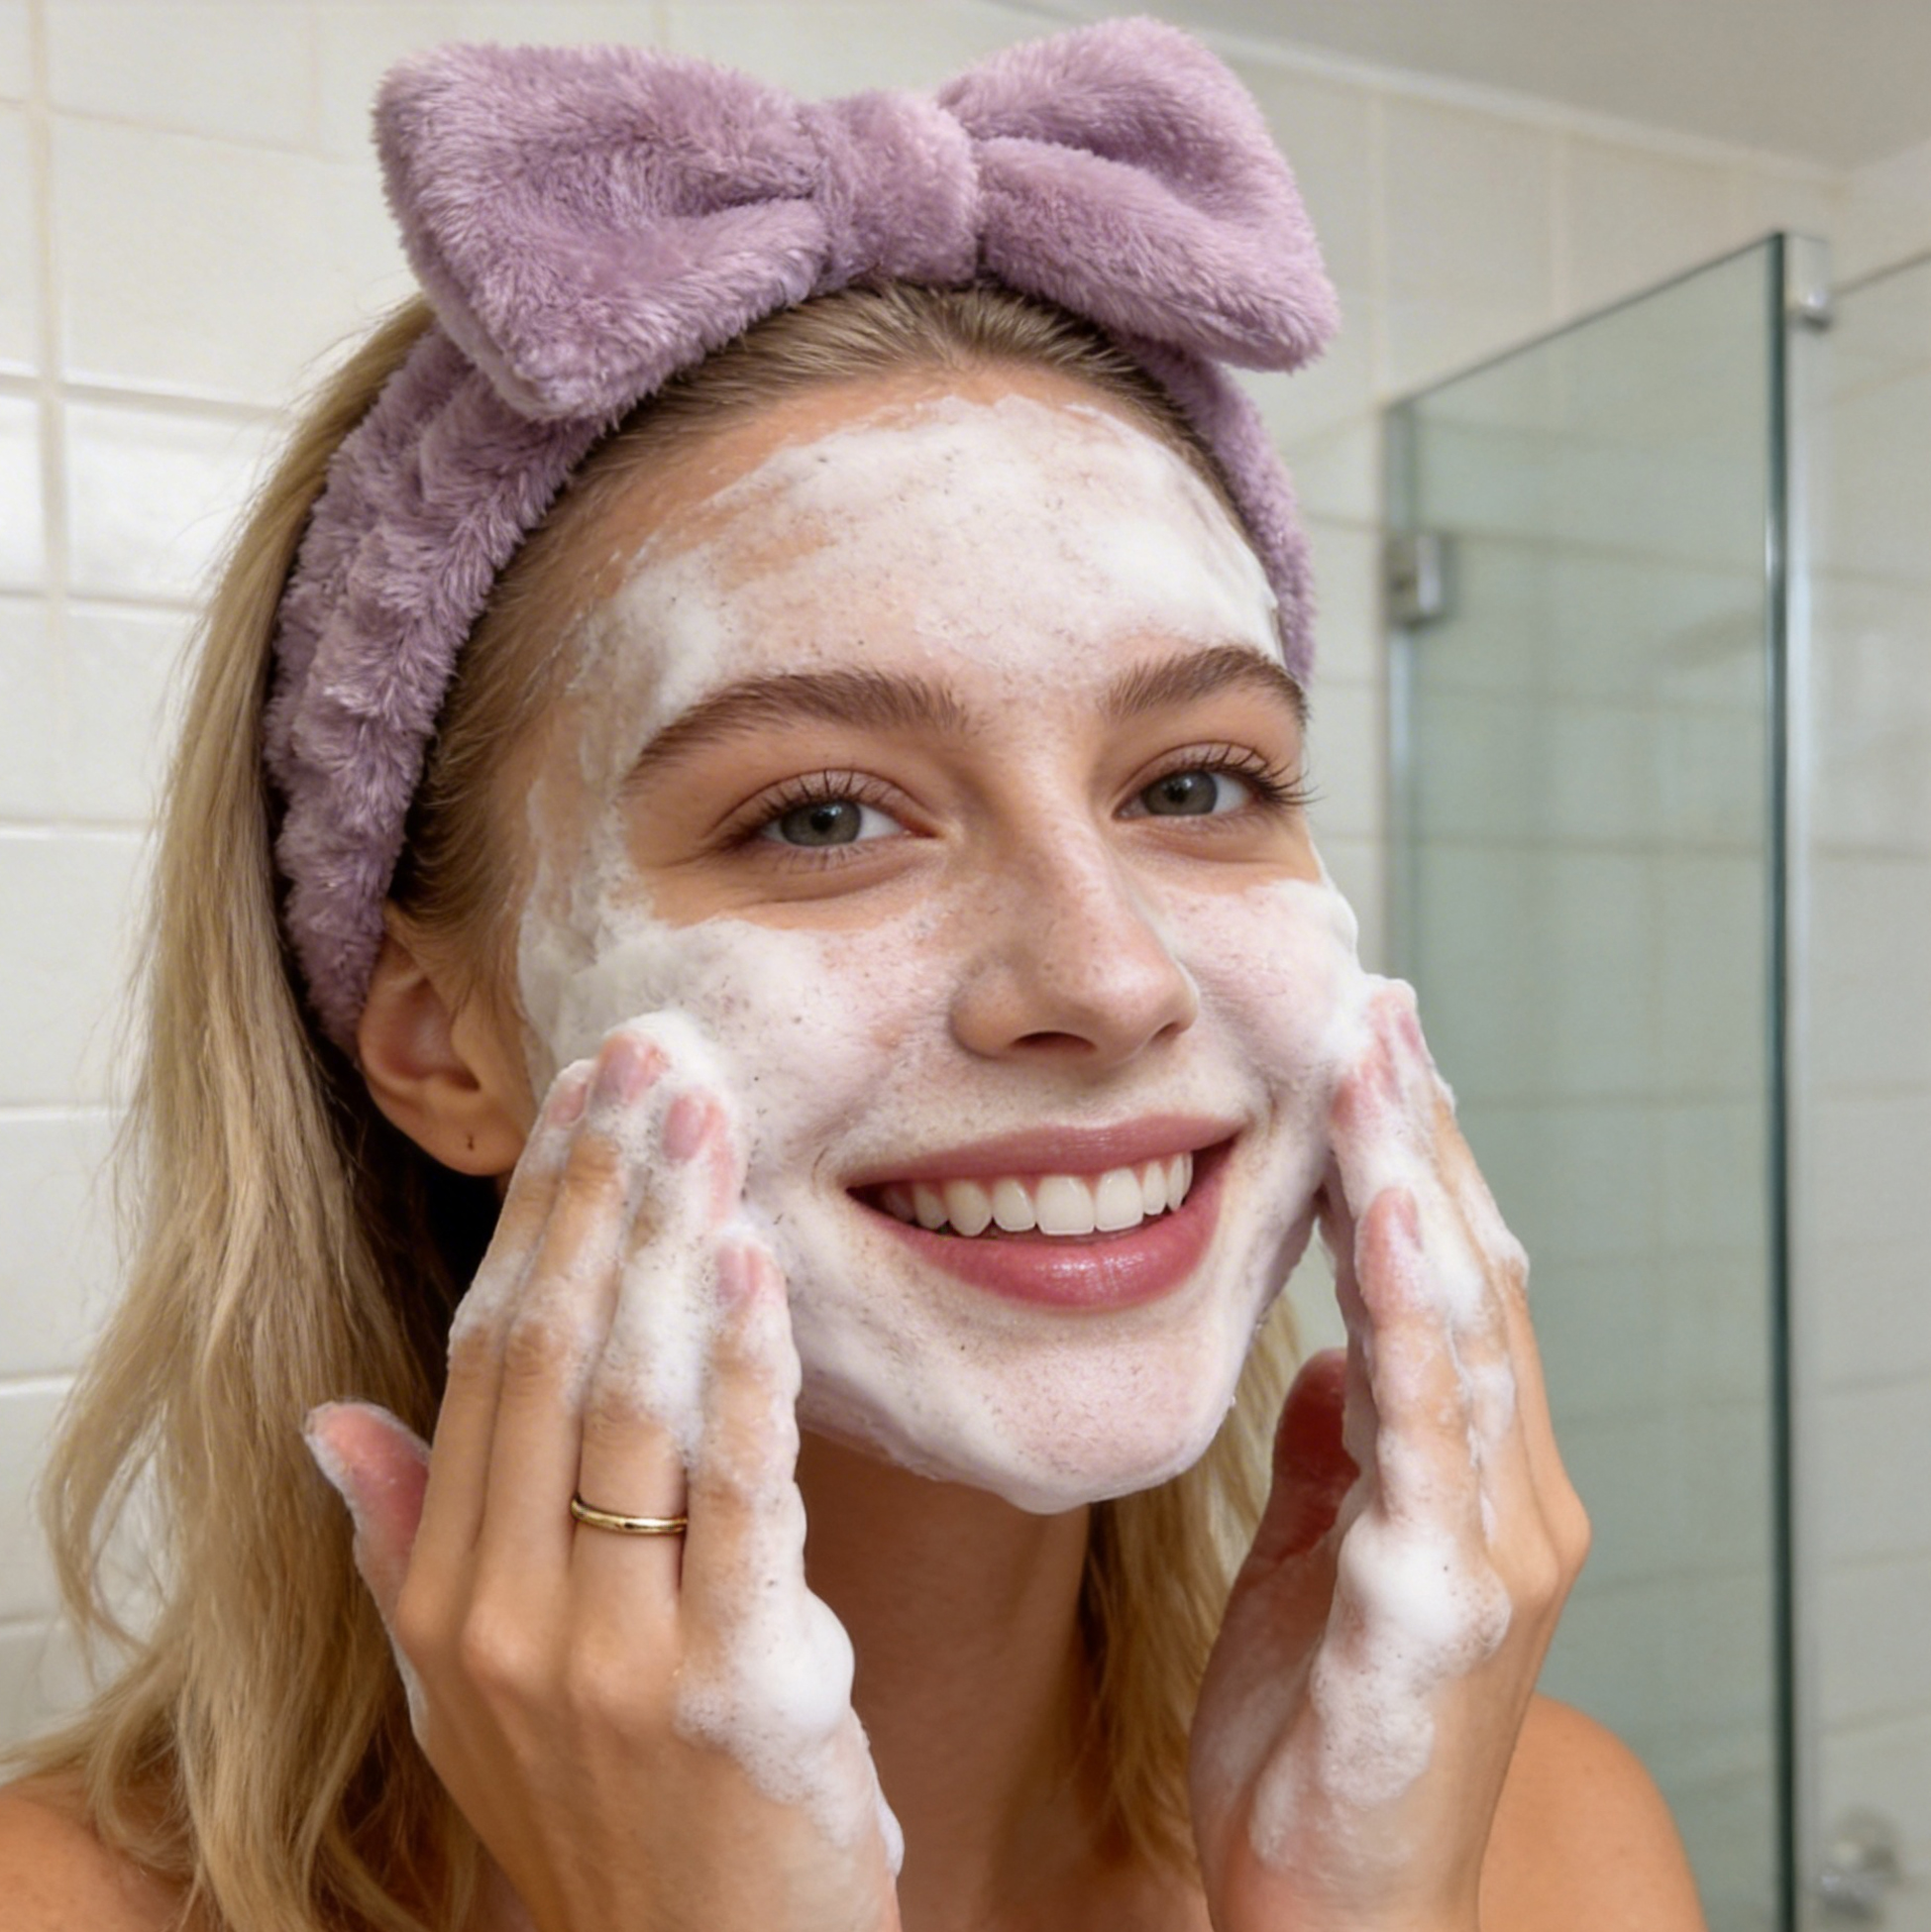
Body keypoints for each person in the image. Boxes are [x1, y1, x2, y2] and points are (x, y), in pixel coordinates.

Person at [0, 21, 1704, 1932]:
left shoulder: (1541, 1854)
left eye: (1194, 783)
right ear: (439, 1041)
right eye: (820, 816)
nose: (1108, 975)